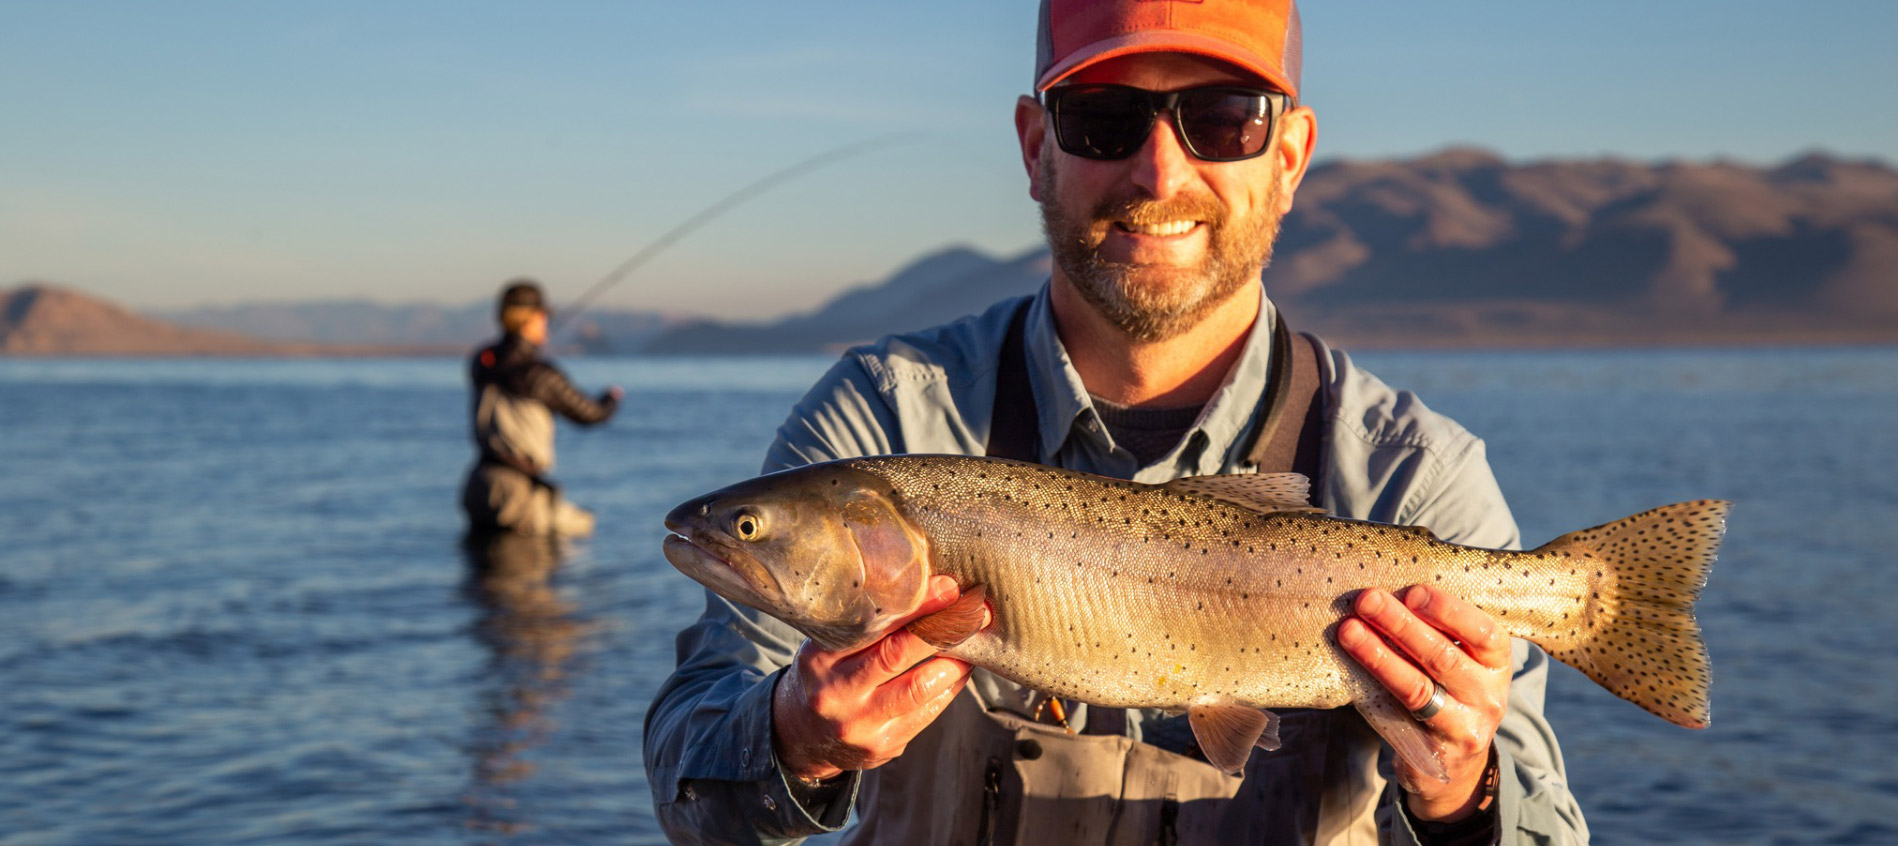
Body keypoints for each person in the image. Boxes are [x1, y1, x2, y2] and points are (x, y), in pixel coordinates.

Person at [645, 1, 1588, 843]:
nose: (1159, 169)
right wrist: (795, 739)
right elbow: (689, 765)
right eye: (1103, 119)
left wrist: (1463, 795)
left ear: (1290, 155)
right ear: (1033, 148)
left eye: (1224, 120)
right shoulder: (883, 416)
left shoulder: (1416, 476)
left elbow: (1546, 825)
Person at [462, 280, 621, 538]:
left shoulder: (483, 361)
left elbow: (504, 364)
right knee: (523, 574)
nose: (546, 322)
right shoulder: (538, 374)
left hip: (479, 484)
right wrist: (611, 399)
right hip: (516, 492)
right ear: (531, 319)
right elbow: (590, 414)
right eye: (543, 316)